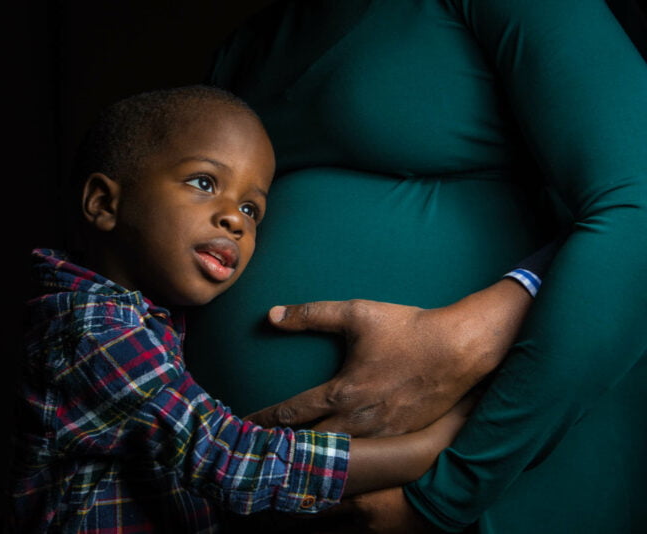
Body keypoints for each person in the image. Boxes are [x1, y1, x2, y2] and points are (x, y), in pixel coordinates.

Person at [184, 1, 647, 532]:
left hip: (490, 469)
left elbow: (639, 208)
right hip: (257, 496)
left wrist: (445, 495)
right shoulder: (241, 53)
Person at [8, 85, 485, 533]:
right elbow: (229, 457)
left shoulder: (143, 313)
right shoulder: (93, 328)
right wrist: (431, 448)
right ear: (104, 202)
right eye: (203, 181)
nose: (234, 218)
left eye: (253, 210)